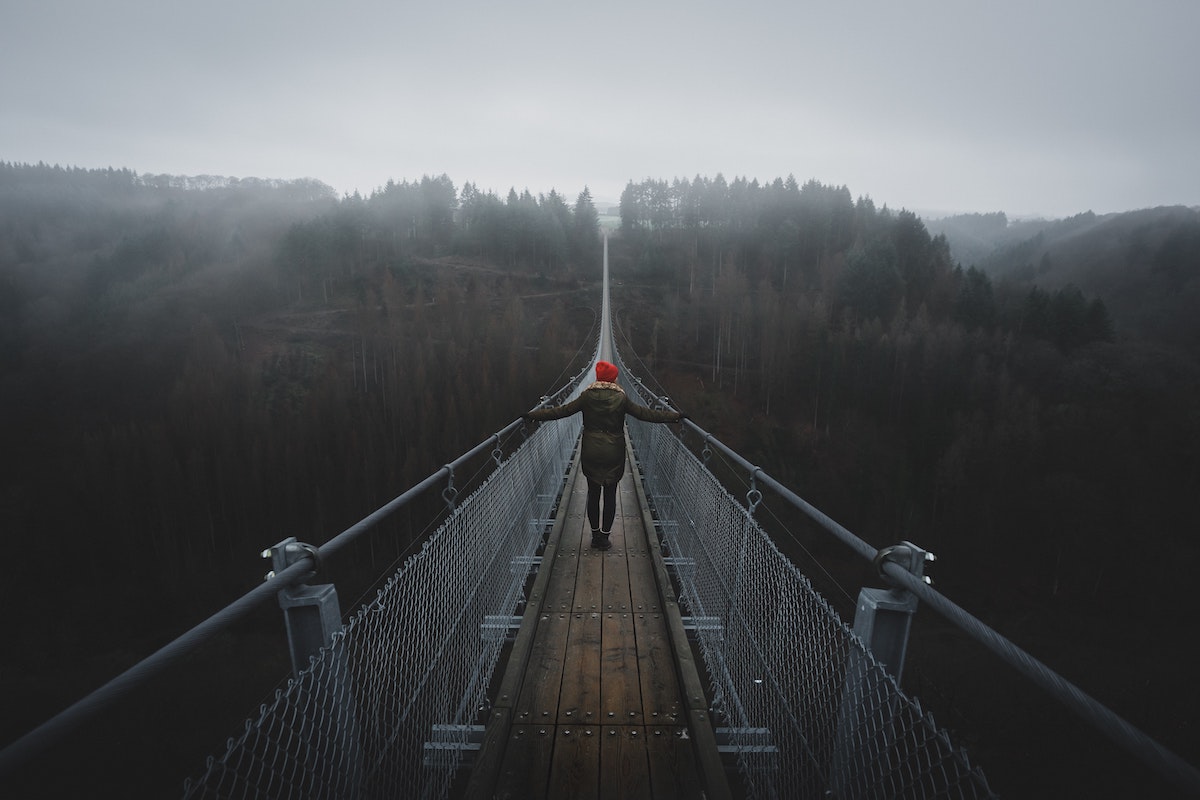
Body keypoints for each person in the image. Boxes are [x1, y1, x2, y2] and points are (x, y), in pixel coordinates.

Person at [524, 360, 683, 550]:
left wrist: (534, 415)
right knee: (610, 495)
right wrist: (674, 417)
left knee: (593, 494)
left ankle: (595, 536)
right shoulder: (621, 398)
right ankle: (605, 539)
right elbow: (644, 414)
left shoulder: (586, 396)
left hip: (591, 452)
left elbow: (561, 412)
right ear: (612, 378)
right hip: (614, 453)